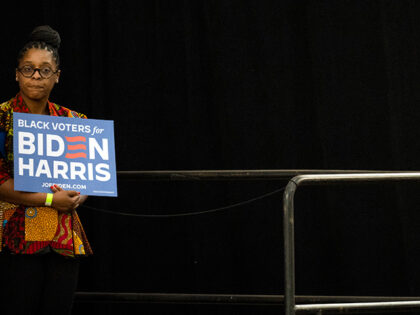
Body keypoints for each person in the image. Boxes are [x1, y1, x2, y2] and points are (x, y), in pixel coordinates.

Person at [0, 25, 92, 315]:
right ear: (17, 73)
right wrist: (52, 200)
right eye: (28, 69)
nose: (36, 76)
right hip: (15, 237)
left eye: (45, 70)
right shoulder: (2, 118)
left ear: (57, 76)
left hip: (63, 238)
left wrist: (79, 197)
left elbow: (88, 175)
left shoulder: (74, 120)